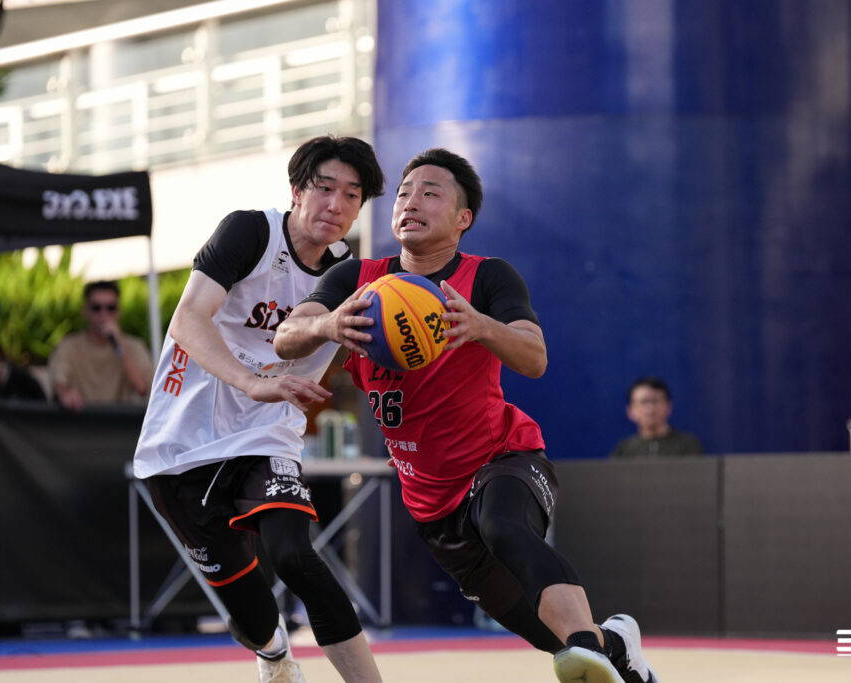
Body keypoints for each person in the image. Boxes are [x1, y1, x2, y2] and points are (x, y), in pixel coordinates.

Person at [273, 148, 660, 683]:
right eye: (404, 192)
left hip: (502, 457)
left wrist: (481, 326)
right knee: (539, 630)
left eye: (431, 193)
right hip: (431, 501)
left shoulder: (488, 277)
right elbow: (286, 337)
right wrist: (326, 325)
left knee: (505, 529)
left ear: (463, 218)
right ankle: (615, 643)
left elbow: (534, 358)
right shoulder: (356, 280)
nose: (411, 201)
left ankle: (588, 643)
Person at [132, 135, 386, 683]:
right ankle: (272, 653)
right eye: (325, 188)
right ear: (296, 190)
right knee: (251, 613)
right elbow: (188, 319)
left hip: (268, 434)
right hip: (185, 437)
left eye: (352, 195)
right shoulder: (251, 232)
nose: (337, 205)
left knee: (295, 556)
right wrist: (252, 382)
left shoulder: (351, 274)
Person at [48, 281, 153, 410]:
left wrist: (120, 344)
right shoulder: (68, 346)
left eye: (111, 308)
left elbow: (142, 389)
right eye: (96, 308)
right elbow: (59, 380)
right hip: (79, 416)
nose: (104, 314)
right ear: (85, 310)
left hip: (120, 420)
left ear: (118, 311)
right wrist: (65, 394)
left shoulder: (134, 346)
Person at [610, 376, 703, 457]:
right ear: (631, 410)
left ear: (668, 407)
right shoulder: (623, 450)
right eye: (644, 402)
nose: (650, 409)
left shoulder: (687, 445)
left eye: (655, 401)